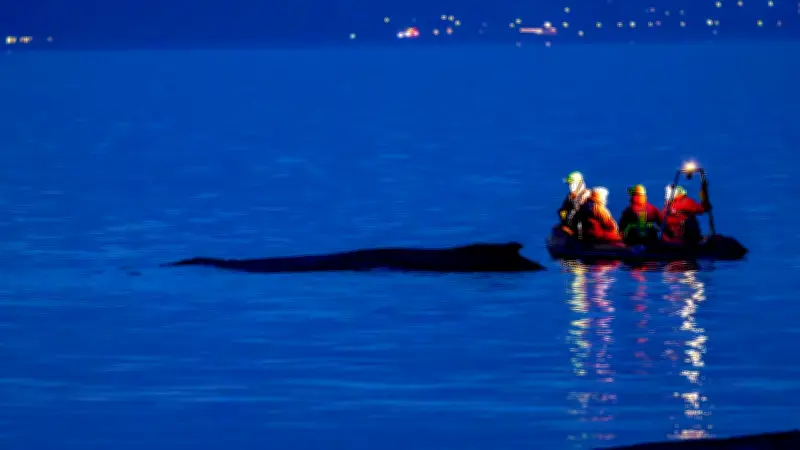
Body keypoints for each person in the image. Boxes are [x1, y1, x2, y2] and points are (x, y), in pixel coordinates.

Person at [558, 171, 591, 235]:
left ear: (580, 184)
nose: (571, 187)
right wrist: (565, 224)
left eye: (574, 184)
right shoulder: (569, 197)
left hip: (585, 233)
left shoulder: (589, 197)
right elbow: (563, 210)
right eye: (570, 184)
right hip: (571, 231)